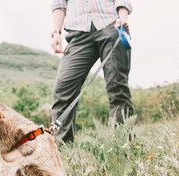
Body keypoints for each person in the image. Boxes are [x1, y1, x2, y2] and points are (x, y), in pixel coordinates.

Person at [50, 0, 134, 144]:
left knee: (117, 86)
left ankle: (123, 144)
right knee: (63, 88)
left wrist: (123, 17)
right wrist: (56, 32)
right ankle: (62, 149)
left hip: (111, 25)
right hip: (78, 33)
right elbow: (59, 4)